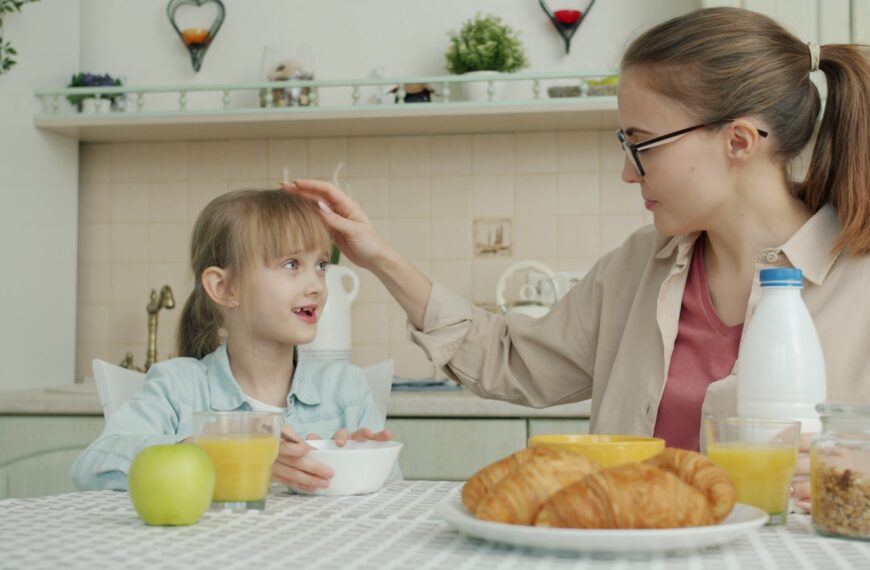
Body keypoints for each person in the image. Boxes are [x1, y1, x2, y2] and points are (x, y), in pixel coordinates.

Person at [283, 7, 870, 510]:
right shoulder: (639, 265)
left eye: (640, 144)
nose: (626, 170)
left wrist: (854, 473)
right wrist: (378, 256)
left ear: (738, 141)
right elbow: (511, 362)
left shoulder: (860, 280)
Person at [72, 189, 391, 493]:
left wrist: (363, 463)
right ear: (224, 287)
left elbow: (395, 496)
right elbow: (93, 465)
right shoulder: (178, 387)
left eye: (320, 265)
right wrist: (219, 453)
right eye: (292, 264)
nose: (317, 286)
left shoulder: (347, 389)